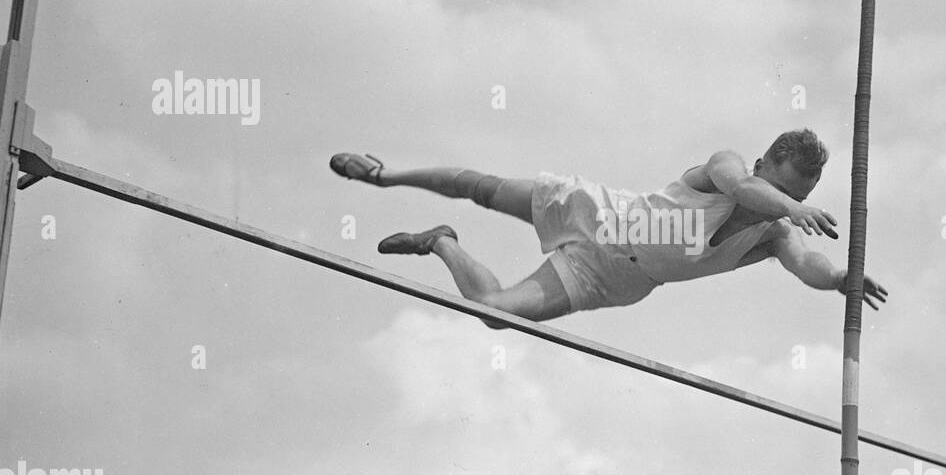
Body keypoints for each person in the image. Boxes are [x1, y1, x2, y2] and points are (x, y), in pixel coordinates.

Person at [329, 128, 887, 326]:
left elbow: (807, 265)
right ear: (766, 167)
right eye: (785, 191)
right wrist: (788, 206)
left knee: (493, 313)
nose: (784, 207)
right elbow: (743, 190)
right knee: (484, 188)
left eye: (800, 199)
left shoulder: (774, 234)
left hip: (608, 278)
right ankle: (386, 175)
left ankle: (440, 240)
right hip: (594, 212)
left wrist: (840, 279)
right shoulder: (728, 168)